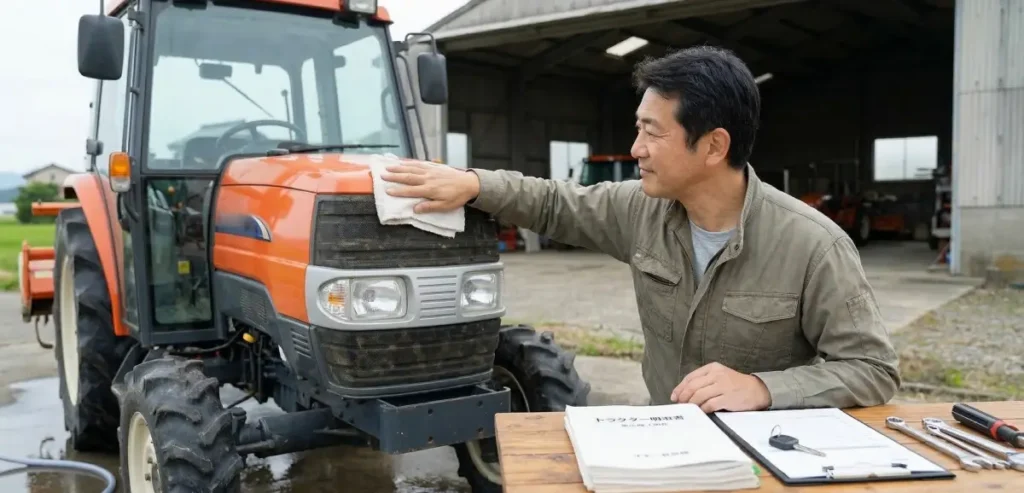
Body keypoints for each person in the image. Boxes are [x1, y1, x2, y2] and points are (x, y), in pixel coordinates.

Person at [380, 46, 900, 412]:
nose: (636, 149)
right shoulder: (640, 212)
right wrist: (472, 183)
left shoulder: (813, 244)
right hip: (666, 438)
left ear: (714, 146)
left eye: (652, 132)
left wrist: (762, 388)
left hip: (764, 453)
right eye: (637, 128)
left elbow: (872, 369)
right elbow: (556, 203)